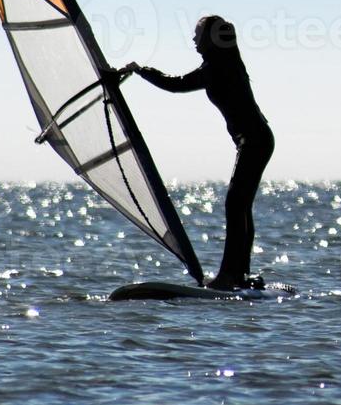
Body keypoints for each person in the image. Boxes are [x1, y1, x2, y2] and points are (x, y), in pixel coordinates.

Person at [116, 16, 273, 291]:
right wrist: (142, 71)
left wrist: (141, 70)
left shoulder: (219, 67)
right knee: (239, 206)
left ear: (210, 39)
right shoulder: (221, 63)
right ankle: (238, 274)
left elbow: (175, 84)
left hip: (255, 141)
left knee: (235, 205)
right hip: (254, 140)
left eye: (197, 34)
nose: (193, 40)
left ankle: (229, 276)